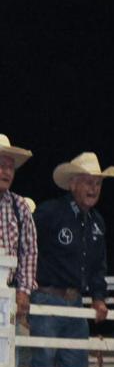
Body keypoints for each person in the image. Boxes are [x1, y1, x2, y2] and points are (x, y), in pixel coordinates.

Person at [23, 151, 114, 367]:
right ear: (73, 184)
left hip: (75, 304)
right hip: (47, 297)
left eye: (97, 184)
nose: (93, 189)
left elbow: (98, 267)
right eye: (88, 182)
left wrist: (98, 297)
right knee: (43, 362)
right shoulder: (50, 213)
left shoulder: (97, 223)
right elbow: (29, 245)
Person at [0, 135, 39, 329]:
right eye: (1, 166)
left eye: (10, 167)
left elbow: (29, 251)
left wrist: (23, 290)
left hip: (9, 293)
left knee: (14, 344)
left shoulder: (20, 206)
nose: (6, 172)